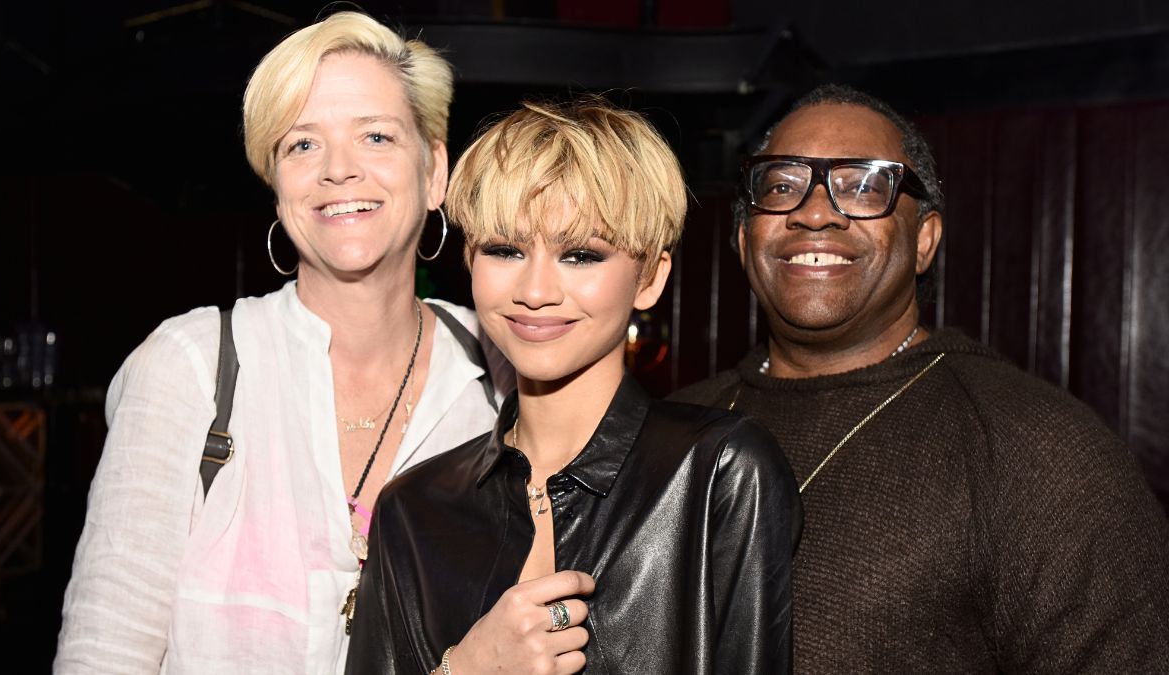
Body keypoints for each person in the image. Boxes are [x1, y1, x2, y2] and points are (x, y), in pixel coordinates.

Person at [54, 12, 511, 673]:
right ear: (277, 187)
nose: (338, 171)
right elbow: (104, 655)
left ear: (434, 170)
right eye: (302, 145)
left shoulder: (500, 373)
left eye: (376, 136)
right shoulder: (190, 367)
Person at [671, 83, 1169, 672]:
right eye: (781, 186)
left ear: (924, 240)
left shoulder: (1041, 454)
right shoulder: (667, 431)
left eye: (863, 186)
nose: (814, 212)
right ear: (742, 237)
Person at [345, 97, 800, 675]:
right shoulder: (413, 509)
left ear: (650, 278)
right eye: (505, 250)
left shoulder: (718, 473)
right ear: (470, 261)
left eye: (580, 254)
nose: (535, 290)